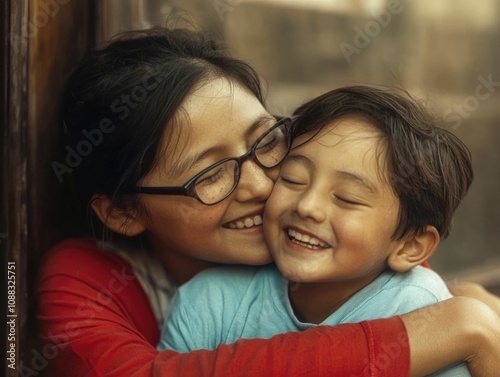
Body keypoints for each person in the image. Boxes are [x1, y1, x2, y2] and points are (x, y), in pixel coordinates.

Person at [36, 27, 500, 377]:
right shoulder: (83, 279)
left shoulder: (342, 262)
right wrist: (447, 329)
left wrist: (461, 313)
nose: (261, 185)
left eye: (266, 142)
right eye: (212, 173)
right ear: (124, 211)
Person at [157, 85, 474, 376]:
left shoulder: (424, 313)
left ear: (410, 245)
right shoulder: (210, 304)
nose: (307, 206)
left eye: (347, 198)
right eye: (293, 179)